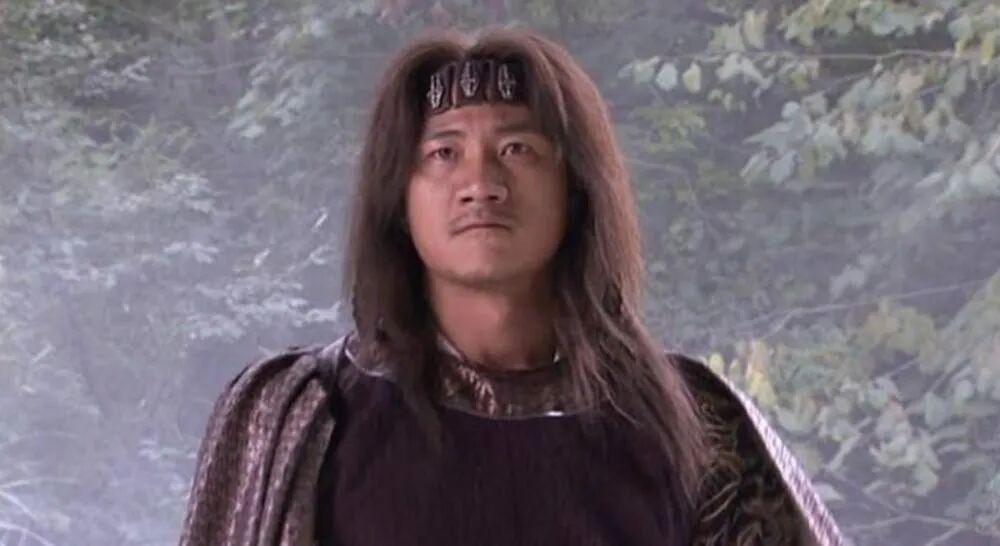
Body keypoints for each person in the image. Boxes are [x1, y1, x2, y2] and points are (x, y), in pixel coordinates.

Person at [178, 27, 847, 546]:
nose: (481, 183)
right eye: (443, 153)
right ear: (399, 199)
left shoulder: (696, 425)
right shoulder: (305, 417)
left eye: (517, 150)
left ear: (575, 188)